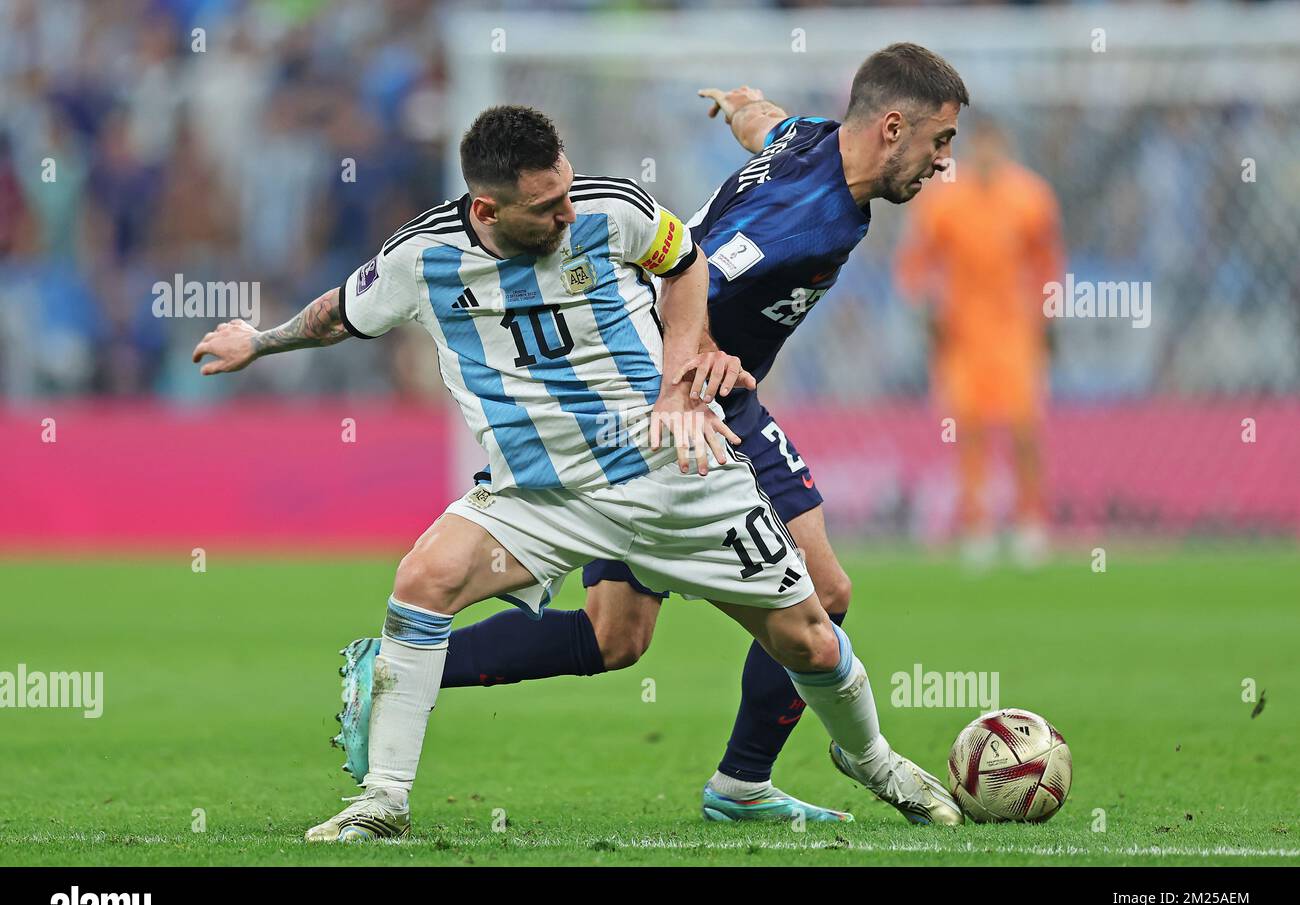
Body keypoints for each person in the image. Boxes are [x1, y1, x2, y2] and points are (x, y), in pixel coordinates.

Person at [193, 102, 962, 841]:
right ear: (488, 212)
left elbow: (687, 262)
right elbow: (338, 313)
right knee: (424, 579)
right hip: (542, 492)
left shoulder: (613, 209)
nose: (566, 214)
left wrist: (677, 377)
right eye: (546, 208)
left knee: (811, 640)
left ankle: (875, 762)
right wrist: (260, 341)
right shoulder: (419, 258)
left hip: (673, 472)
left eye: (566, 192)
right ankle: (382, 800)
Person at [400, 43, 972, 823]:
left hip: (664, 397)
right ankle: (749, 782)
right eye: (939, 141)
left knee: (616, 636)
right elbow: (695, 271)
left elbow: (769, 127)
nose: (944, 162)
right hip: (691, 405)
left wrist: (742, 106)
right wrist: (695, 363)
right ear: (893, 126)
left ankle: (399, 671)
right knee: (823, 592)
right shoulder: (804, 221)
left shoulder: (810, 139)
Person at [895, 116, 1065, 568]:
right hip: (962, 333)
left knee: (1025, 427)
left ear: (1005, 146)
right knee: (968, 429)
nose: (988, 154)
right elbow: (917, 262)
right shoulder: (944, 202)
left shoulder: (1031, 197)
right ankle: (977, 525)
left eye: (995, 144)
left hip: (1015, 330)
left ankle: (1031, 522)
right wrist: (926, 307)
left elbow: (1048, 264)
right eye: (981, 145)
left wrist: (1049, 320)